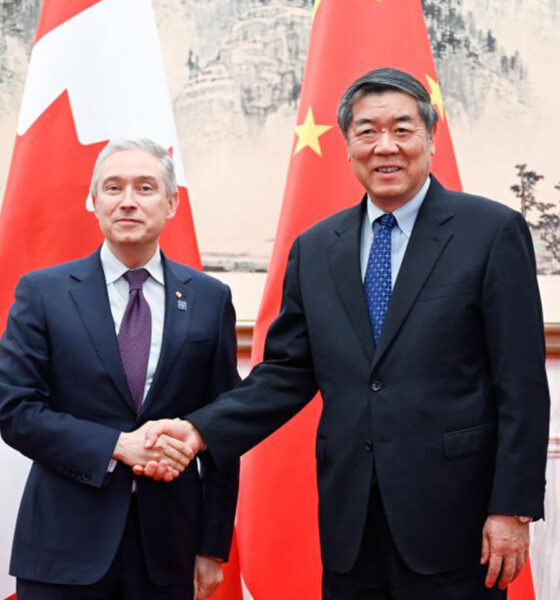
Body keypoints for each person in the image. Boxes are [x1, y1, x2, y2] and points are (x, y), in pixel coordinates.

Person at [140, 69, 550, 600]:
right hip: (352, 524)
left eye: (402, 129)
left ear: (430, 137)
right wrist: (199, 431)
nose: (385, 146)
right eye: (367, 131)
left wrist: (512, 507)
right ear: (348, 146)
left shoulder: (490, 233)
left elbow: (521, 382)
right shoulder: (315, 249)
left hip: (458, 522)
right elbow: (286, 373)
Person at [0, 138, 239, 600]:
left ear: (171, 203)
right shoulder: (43, 294)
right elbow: (15, 411)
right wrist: (117, 446)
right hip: (62, 549)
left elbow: (223, 428)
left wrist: (212, 545)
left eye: (145, 187)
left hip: (168, 550)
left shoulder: (210, 299)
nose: (128, 200)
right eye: (113, 187)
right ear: (94, 201)